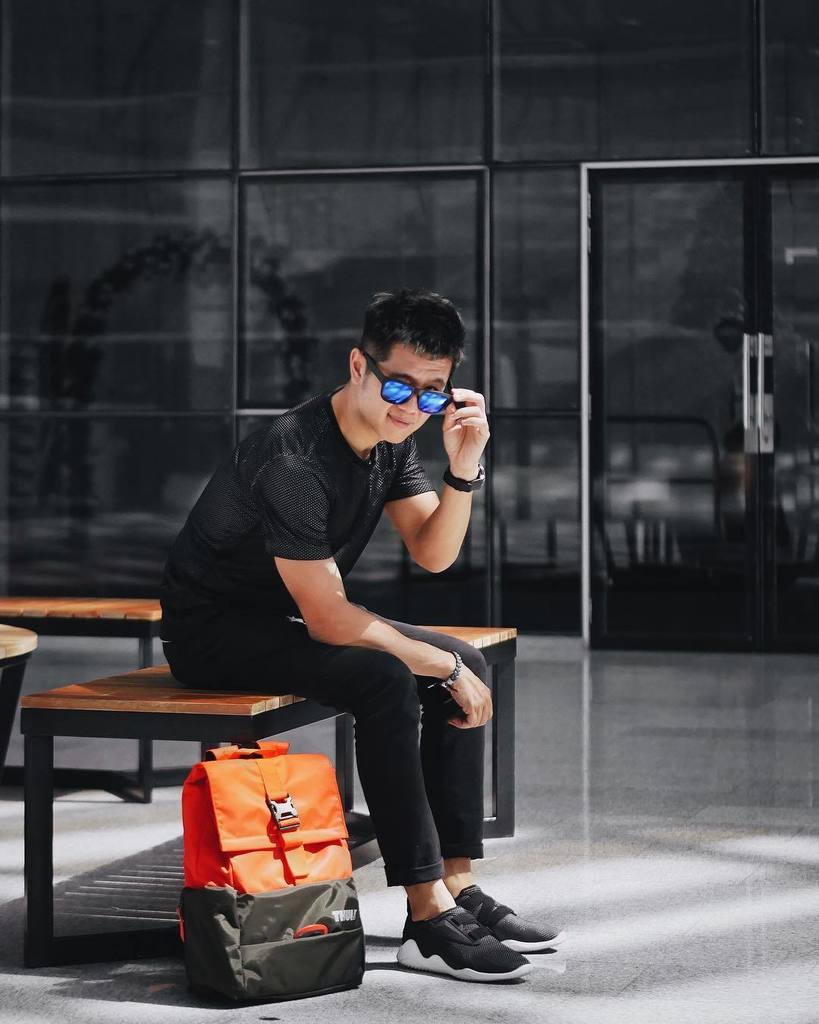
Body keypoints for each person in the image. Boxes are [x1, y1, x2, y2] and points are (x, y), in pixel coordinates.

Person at [159, 287, 564, 983]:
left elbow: (433, 553)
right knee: (389, 679)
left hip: (284, 616)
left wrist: (463, 465)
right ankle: (425, 918)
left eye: (432, 393)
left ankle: (456, 887)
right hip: (211, 630)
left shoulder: (389, 440)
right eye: (398, 386)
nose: (412, 407)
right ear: (358, 366)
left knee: (463, 659)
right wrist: (434, 666)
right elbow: (328, 618)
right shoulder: (295, 458)